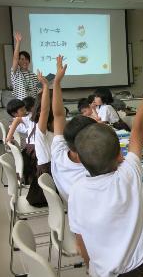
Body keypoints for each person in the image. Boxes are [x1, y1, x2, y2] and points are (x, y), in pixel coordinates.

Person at [68, 56, 143, 276]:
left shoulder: (76, 191)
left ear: (79, 159)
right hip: (139, 271)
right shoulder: (127, 176)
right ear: (120, 156)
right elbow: (138, 125)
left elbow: (80, 241)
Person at [51, 56, 97, 203]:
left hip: (74, 213)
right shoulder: (92, 173)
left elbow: (58, 115)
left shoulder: (58, 152)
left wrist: (56, 82)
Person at [26, 71, 54, 207]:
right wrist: (45, 86)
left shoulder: (55, 126)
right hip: (48, 173)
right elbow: (45, 110)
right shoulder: (41, 128)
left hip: (55, 169)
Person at [11, 32, 39, 100]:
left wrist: (45, 83)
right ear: (18, 62)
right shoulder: (16, 73)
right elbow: (15, 58)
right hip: (21, 104)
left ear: (29, 61)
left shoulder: (33, 75)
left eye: (26, 59)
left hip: (33, 105)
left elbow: (38, 91)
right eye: (22, 59)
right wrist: (18, 42)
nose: (25, 61)